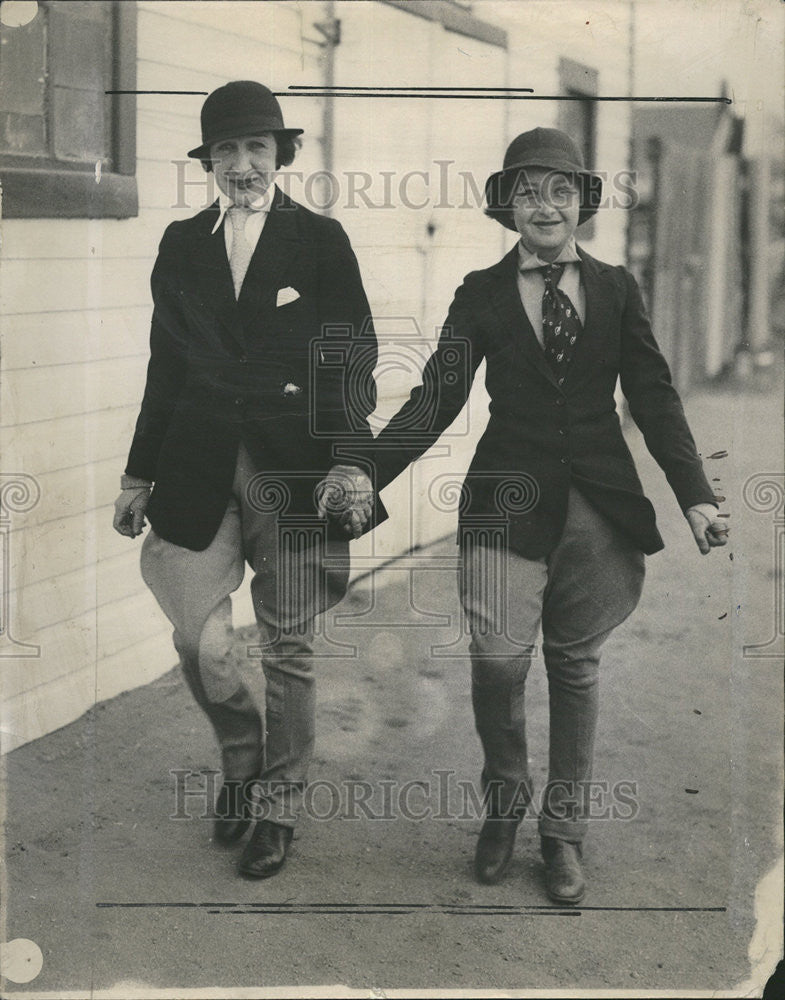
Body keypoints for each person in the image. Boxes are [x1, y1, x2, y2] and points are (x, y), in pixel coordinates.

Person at [336, 127, 728, 904]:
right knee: (497, 662)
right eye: (526, 190)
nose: (542, 206)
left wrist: (696, 496)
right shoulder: (479, 293)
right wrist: (363, 466)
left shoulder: (616, 289)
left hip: (597, 509)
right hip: (504, 504)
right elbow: (437, 398)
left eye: (557, 190)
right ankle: (503, 805)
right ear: (507, 206)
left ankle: (563, 834)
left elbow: (652, 396)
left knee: (574, 668)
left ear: (580, 203)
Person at [113, 81, 377, 879]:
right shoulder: (181, 244)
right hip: (196, 464)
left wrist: (349, 458)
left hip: (295, 467)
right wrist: (136, 471)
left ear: (280, 154)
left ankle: (278, 808)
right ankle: (241, 759)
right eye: (225, 150)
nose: (241, 164)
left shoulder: (321, 240)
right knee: (198, 637)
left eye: (255, 148)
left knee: (289, 645)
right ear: (209, 162)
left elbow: (353, 360)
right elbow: (165, 367)